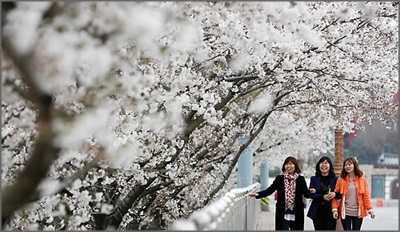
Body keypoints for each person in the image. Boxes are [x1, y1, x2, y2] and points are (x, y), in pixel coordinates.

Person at [248, 156, 311, 230]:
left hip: (297, 212)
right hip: (282, 211)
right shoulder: (280, 179)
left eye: (291, 164)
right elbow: (270, 190)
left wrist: (313, 191)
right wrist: (258, 194)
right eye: (286, 164)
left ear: (295, 166)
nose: (288, 166)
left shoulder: (301, 179)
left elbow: (306, 194)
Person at [331, 157, 375, 230]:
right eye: (345, 165)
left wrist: (370, 210)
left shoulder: (362, 179)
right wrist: (335, 209)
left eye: (350, 164)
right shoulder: (341, 180)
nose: (347, 166)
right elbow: (335, 195)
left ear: (355, 165)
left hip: (358, 213)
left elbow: (366, 196)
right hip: (345, 212)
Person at [307, 156, 341, 230]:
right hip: (318, 211)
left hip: (331, 211)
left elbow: (340, 194)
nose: (324, 165)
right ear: (318, 165)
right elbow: (310, 195)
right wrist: (323, 197)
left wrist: (334, 194)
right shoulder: (314, 179)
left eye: (326, 163)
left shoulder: (335, 179)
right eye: (322, 163)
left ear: (330, 166)